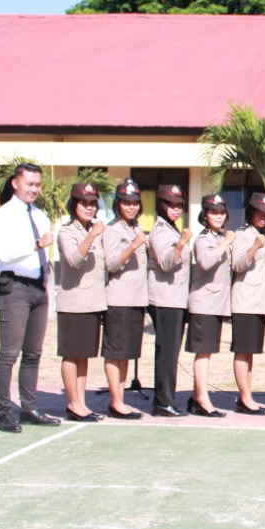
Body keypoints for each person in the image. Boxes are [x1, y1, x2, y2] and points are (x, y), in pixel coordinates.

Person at [0, 162, 59, 432]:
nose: (34, 189)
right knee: (9, 353)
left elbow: (46, 259)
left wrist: (48, 291)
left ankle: (29, 407)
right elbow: (5, 253)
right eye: (29, 184)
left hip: (38, 288)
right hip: (14, 287)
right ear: (15, 183)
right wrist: (36, 244)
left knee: (33, 353)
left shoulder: (40, 216)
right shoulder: (5, 215)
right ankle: (3, 412)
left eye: (38, 185)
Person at [55, 182, 107, 422]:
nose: (88, 207)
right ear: (73, 205)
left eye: (92, 203)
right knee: (71, 354)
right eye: (83, 203)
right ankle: (73, 403)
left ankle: (81, 403)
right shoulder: (67, 232)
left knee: (84, 355)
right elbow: (74, 260)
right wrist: (92, 235)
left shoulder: (93, 230)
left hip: (93, 302)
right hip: (74, 302)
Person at [101, 179, 148, 420]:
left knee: (127, 353)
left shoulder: (135, 228)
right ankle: (115, 401)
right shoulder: (113, 229)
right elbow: (111, 264)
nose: (131, 207)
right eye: (126, 203)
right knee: (115, 352)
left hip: (136, 299)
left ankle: (120, 399)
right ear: (118, 204)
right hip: (119, 299)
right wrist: (133, 246)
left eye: (135, 203)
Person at [184, 193, 233, 419]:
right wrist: (226, 242)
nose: (218, 216)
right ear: (204, 215)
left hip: (216, 304)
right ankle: (202, 399)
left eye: (221, 212)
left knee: (208, 353)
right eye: (213, 212)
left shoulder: (218, 236)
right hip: (204, 304)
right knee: (203, 354)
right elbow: (205, 263)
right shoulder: (204, 239)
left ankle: (196, 397)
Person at [229, 192, 265, 415]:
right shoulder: (244, 235)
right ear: (250, 212)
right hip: (245, 301)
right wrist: (254, 247)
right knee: (242, 351)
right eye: (259, 213)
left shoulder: (264, 234)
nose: (263, 217)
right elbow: (237, 265)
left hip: (259, 301)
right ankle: (245, 398)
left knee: (250, 353)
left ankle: (246, 396)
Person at [147, 184, 191, 417]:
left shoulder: (171, 229)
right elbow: (166, 263)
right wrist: (181, 243)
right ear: (162, 206)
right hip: (165, 299)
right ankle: (163, 401)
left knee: (171, 352)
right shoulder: (162, 230)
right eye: (171, 205)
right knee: (166, 351)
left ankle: (167, 398)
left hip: (175, 298)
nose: (175, 210)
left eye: (179, 206)